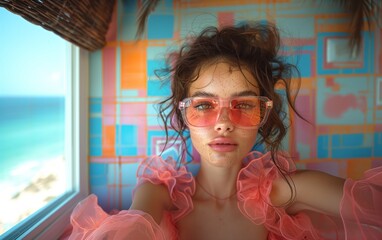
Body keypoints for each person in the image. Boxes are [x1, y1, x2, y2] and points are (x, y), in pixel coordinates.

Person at [67, 21, 382, 240]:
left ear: (263, 115)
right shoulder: (158, 196)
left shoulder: (285, 191)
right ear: (184, 114)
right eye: (204, 105)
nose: (224, 122)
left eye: (243, 105)